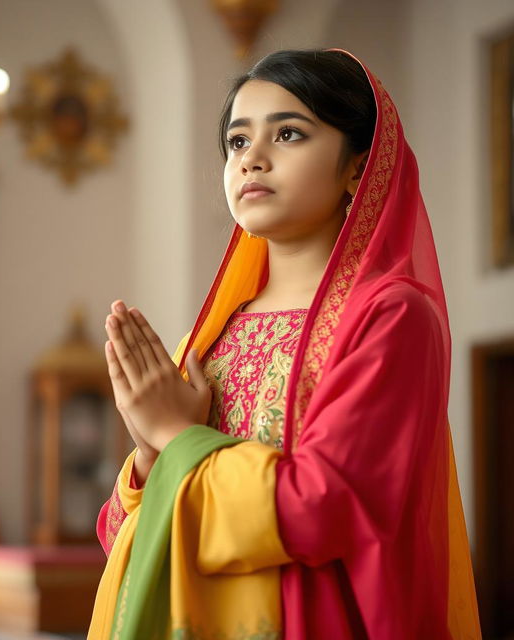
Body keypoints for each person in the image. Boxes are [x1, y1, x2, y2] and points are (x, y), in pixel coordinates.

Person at [87, 48, 482, 639]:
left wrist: (176, 436)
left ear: (359, 167)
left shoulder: (392, 316)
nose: (253, 161)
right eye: (238, 142)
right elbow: (123, 537)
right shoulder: (213, 334)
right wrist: (148, 456)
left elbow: (318, 511)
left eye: (289, 134)